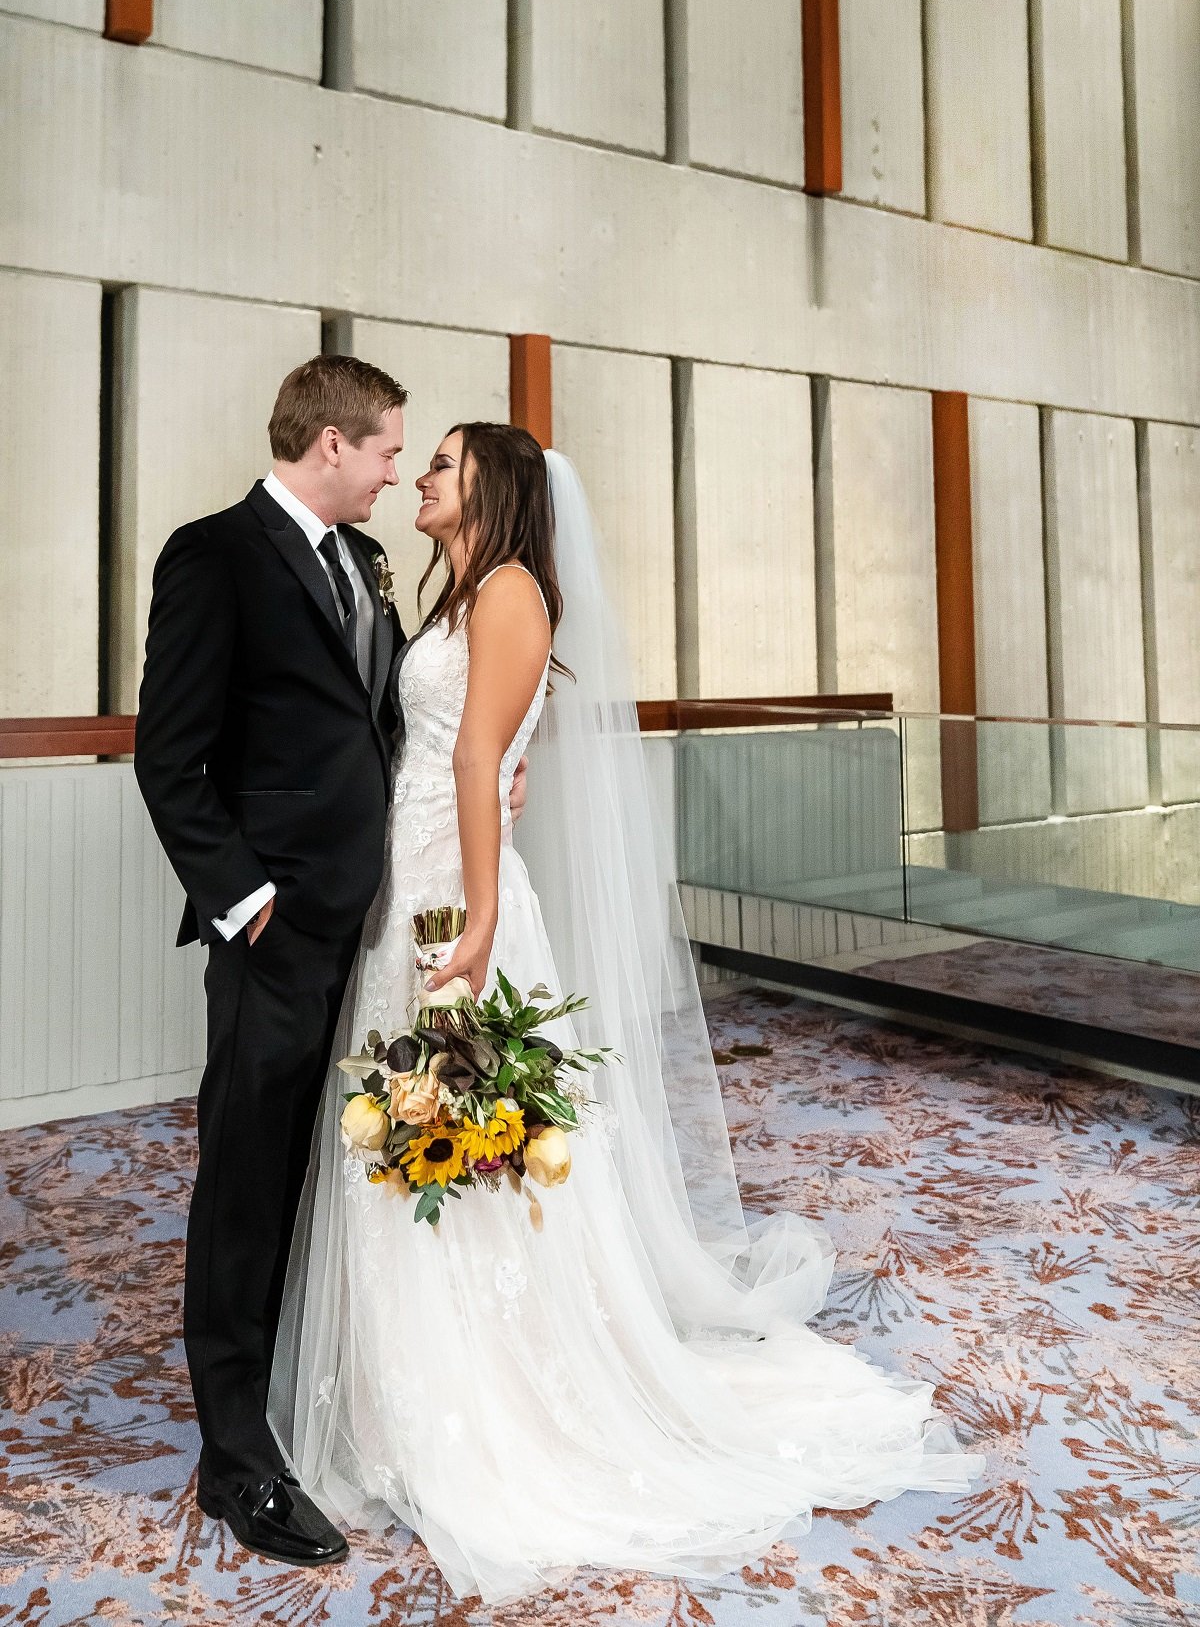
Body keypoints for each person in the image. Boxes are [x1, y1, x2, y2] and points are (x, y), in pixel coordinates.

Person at [268, 422, 984, 1604]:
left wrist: (479, 918)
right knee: (408, 1130)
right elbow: (467, 749)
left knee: (451, 1131)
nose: (424, 478)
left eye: (442, 462)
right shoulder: (463, 594)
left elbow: (475, 762)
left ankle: (494, 1390)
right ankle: (412, 1386)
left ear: (490, 486)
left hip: (457, 899)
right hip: (420, 878)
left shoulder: (506, 592)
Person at [137, 355, 479, 1565]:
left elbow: (374, 721)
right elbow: (168, 756)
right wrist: (247, 903)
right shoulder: (214, 552)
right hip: (278, 930)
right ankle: (236, 1460)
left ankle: (301, 1395)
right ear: (330, 444)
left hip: (376, 916)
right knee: (245, 1174)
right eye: (390, 448)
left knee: (339, 1172)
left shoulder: (364, 565)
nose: (399, 467)